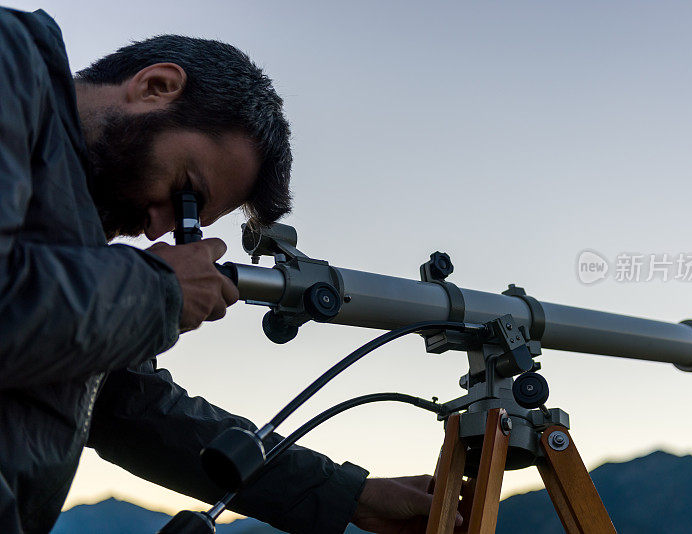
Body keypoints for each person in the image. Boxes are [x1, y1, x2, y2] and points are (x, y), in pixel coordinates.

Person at [0, 7, 455, 534]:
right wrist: (158, 291)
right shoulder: (12, 61)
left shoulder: (71, 241)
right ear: (156, 86)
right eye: (186, 195)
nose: (155, 231)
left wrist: (346, 495)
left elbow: (138, 411)